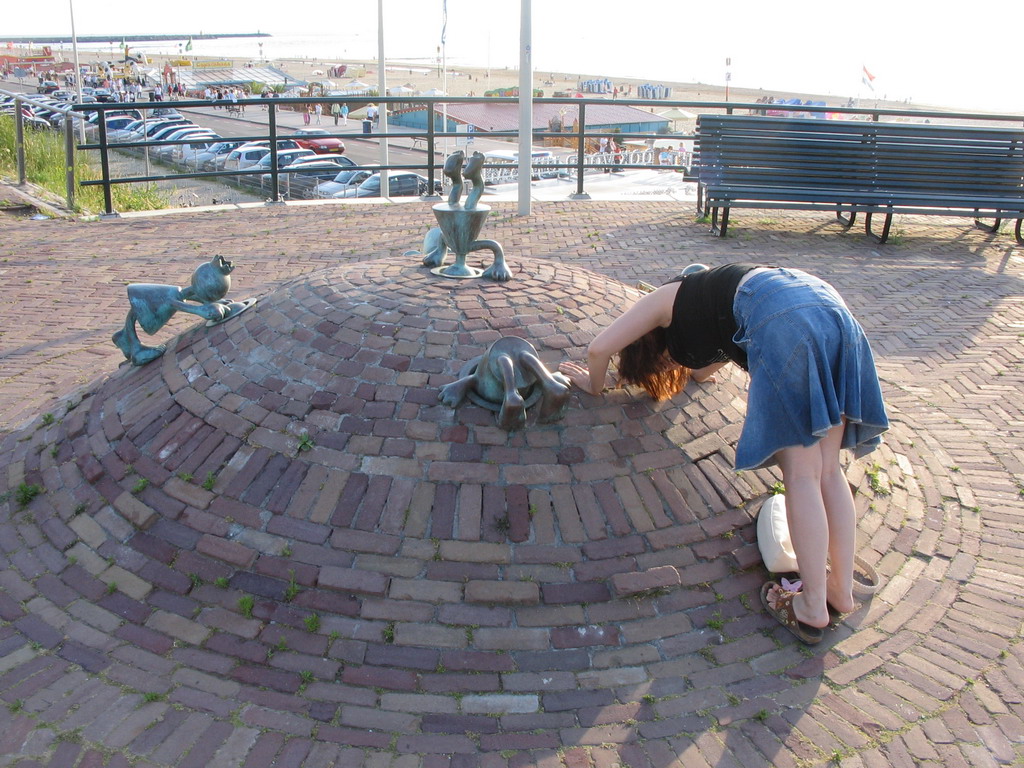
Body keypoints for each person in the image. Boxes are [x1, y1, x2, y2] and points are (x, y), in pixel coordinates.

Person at [558, 264, 889, 645]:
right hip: (829, 307)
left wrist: (594, 384)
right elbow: (707, 366)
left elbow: (598, 348)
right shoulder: (713, 296)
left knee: (802, 476)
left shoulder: (667, 297)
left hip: (788, 320)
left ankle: (812, 605)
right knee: (829, 471)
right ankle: (839, 590)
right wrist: (694, 373)